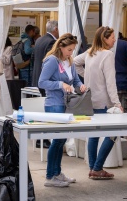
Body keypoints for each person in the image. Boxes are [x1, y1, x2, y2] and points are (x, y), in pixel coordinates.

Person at [74, 27, 122, 180]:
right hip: (103, 102)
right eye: (112, 37)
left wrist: (86, 75)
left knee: (93, 135)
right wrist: (117, 103)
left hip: (90, 101)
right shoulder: (108, 55)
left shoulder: (90, 53)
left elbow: (75, 62)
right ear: (104, 39)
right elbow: (110, 82)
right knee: (113, 134)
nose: (114, 40)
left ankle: (93, 168)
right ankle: (97, 168)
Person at [38, 33, 85, 187]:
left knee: (61, 140)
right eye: (69, 50)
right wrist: (60, 85)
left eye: (72, 50)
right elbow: (42, 82)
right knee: (57, 140)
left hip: (66, 105)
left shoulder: (69, 61)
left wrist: (80, 86)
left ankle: (57, 173)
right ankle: (50, 176)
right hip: (54, 105)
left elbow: (75, 79)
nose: (71, 53)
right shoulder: (52, 61)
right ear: (61, 47)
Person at [32, 20, 59, 95]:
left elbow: (33, 57)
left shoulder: (39, 40)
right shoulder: (52, 42)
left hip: (36, 76)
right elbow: (51, 61)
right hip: (45, 78)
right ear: (56, 29)